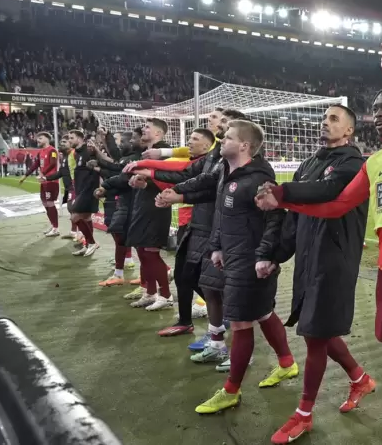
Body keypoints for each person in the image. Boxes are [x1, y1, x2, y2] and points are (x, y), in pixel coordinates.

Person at [258, 81, 382, 445]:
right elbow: (337, 205)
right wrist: (284, 201)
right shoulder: (375, 161)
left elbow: (332, 195)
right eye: (375, 108)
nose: (379, 114)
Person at [254, 105, 375, 444]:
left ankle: (303, 414)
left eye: (334, 118)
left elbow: (327, 193)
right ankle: (359, 378)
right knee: (316, 331)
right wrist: (276, 256)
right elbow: (294, 220)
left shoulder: (353, 164)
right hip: (309, 259)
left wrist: (282, 193)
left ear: (350, 131)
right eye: (324, 117)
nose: (326, 121)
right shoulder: (308, 164)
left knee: (314, 333)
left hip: (336, 260)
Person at [168, 120, 298, 414]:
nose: (221, 141)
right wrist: (216, 246)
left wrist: (265, 256)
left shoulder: (258, 177)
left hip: (250, 261)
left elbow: (275, 218)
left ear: (244, 146)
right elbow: (222, 216)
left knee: (241, 322)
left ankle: (231, 391)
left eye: (227, 137)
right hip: (234, 256)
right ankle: (287, 364)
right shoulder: (227, 173)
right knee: (263, 313)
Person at [128, 108, 247, 372]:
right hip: (203, 226)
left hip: (223, 233)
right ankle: (217, 339)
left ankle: (246, 350)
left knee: (236, 297)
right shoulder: (218, 156)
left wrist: (174, 188)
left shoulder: (247, 165)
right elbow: (199, 179)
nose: (218, 126)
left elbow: (205, 183)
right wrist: (175, 190)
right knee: (198, 281)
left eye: (224, 122)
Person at [140, 128, 216, 333]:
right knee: (184, 273)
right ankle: (187, 321)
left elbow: (203, 185)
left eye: (195, 139)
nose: (189, 142)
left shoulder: (222, 162)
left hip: (209, 226)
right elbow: (185, 175)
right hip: (194, 222)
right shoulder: (210, 160)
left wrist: (177, 194)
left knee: (201, 277)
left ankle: (222, 318)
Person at [123, 118, 175, 311]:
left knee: (151, 253)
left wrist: (147, 183)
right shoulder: (144, 153)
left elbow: (171, 178)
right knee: (142, 251)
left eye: (147, 127)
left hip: (157, 207)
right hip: (141, 205)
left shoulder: (165, 152)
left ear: (159, 133)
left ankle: (166, 296)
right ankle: (150, 292)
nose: (143, 130)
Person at [94, 128, 144, 286]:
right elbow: (120, 172)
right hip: (124, 200)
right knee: (121, 235)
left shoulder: (138, 157)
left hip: (133, 203)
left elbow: (122, 177)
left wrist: (106, 186)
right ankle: (121, 273)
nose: (126, 143)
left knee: (136, 241)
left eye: (128, 140)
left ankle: (156, 274)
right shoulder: (129, 157)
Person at [67, 129, 101, 257]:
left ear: (80, 139)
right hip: (82, 189)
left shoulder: (89, 150)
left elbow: (97, 168)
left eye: (71, 138)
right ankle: (87, 244)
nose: (69, 140)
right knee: (86, 218)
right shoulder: (77, 153)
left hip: (89, 190)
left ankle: (92, 243)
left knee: (74, 216)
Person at [20, 132, 61, 237]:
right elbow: (35, 165)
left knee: (50, 203)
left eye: (40, 138)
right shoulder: (40, 152)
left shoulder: (52, 150)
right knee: (45, 203)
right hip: (44, 182)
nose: (38, 140)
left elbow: (52, 164)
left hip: (51, 181)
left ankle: (56, 228)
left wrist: (43, 174)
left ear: (47, 139)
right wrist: (25, 176)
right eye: (37, 138)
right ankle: (53, 225)